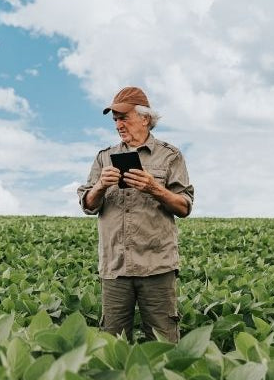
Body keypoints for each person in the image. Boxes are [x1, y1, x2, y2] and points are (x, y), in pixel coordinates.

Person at [77, 86, 194, 343]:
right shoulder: (104, 157)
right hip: (115, 267)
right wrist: (100, 186)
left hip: (157, 266)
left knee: (164, 343)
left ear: (145, 118)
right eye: (115, 119)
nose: (119, 124)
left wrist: (154, 188)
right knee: (112, 344)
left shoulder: (170, 156)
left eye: (124, 117)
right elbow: (87, 204)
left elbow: (184, 206)